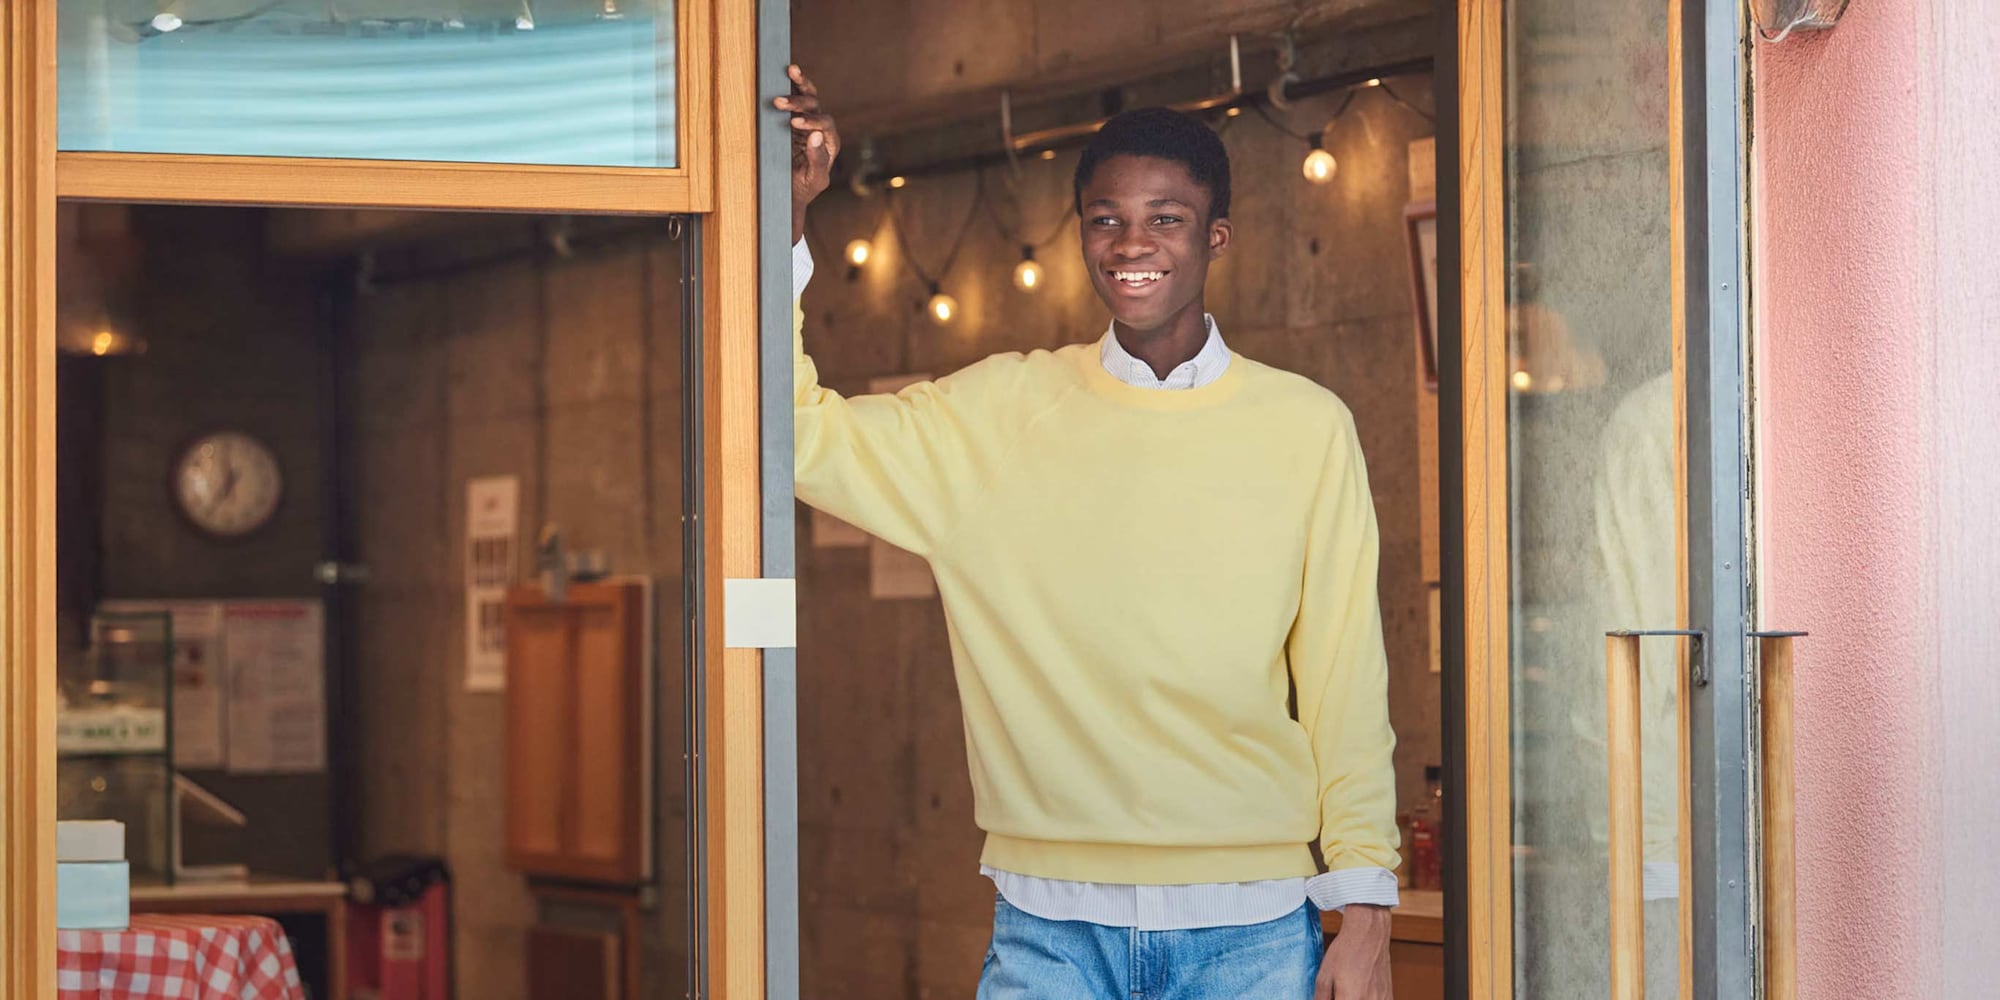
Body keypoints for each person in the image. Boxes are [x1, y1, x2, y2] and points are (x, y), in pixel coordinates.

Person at [779, 65, 1398, 1000]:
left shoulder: (1308, 427)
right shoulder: (998, 413)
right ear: (1080, 235)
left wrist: (1367, 914)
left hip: (1254, 933)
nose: (1131, 243)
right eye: (1105, 218)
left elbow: (1346, 680)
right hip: (1050, 931)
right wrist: (785, 217)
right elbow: (796, 434)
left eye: (1167, 217)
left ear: (1216, 236)